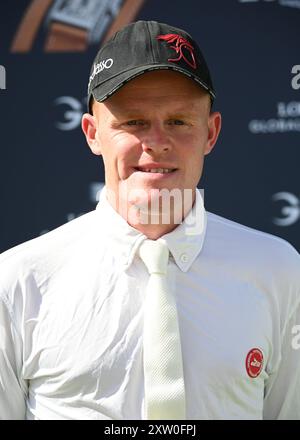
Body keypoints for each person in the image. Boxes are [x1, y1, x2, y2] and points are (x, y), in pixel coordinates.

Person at [0, 20, 299, 421]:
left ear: (211, 133)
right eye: (133, 122)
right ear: (92, 133)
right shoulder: (18, 280)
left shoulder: (279, 270)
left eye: (178, 121)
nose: (156, 141)